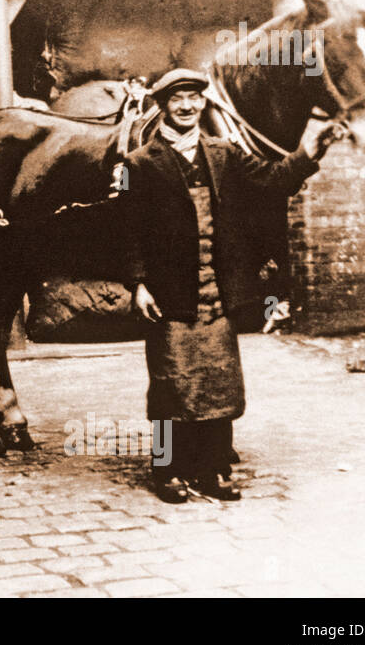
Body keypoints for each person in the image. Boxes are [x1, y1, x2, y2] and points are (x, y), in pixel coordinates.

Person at [123, 69, 342, 503]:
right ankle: (167, 469)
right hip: (170, 291)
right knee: (172, 383)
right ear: (163, 105)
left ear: (203, 104)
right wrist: (138, 283)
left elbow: (274, 180)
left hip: (216, 288)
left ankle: (214, 467)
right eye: (177, 99)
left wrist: (309, 152)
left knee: (219, 381)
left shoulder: (224, 154)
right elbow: (127, 228)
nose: (187, 106)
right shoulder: (139, 163)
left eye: (194, 98)